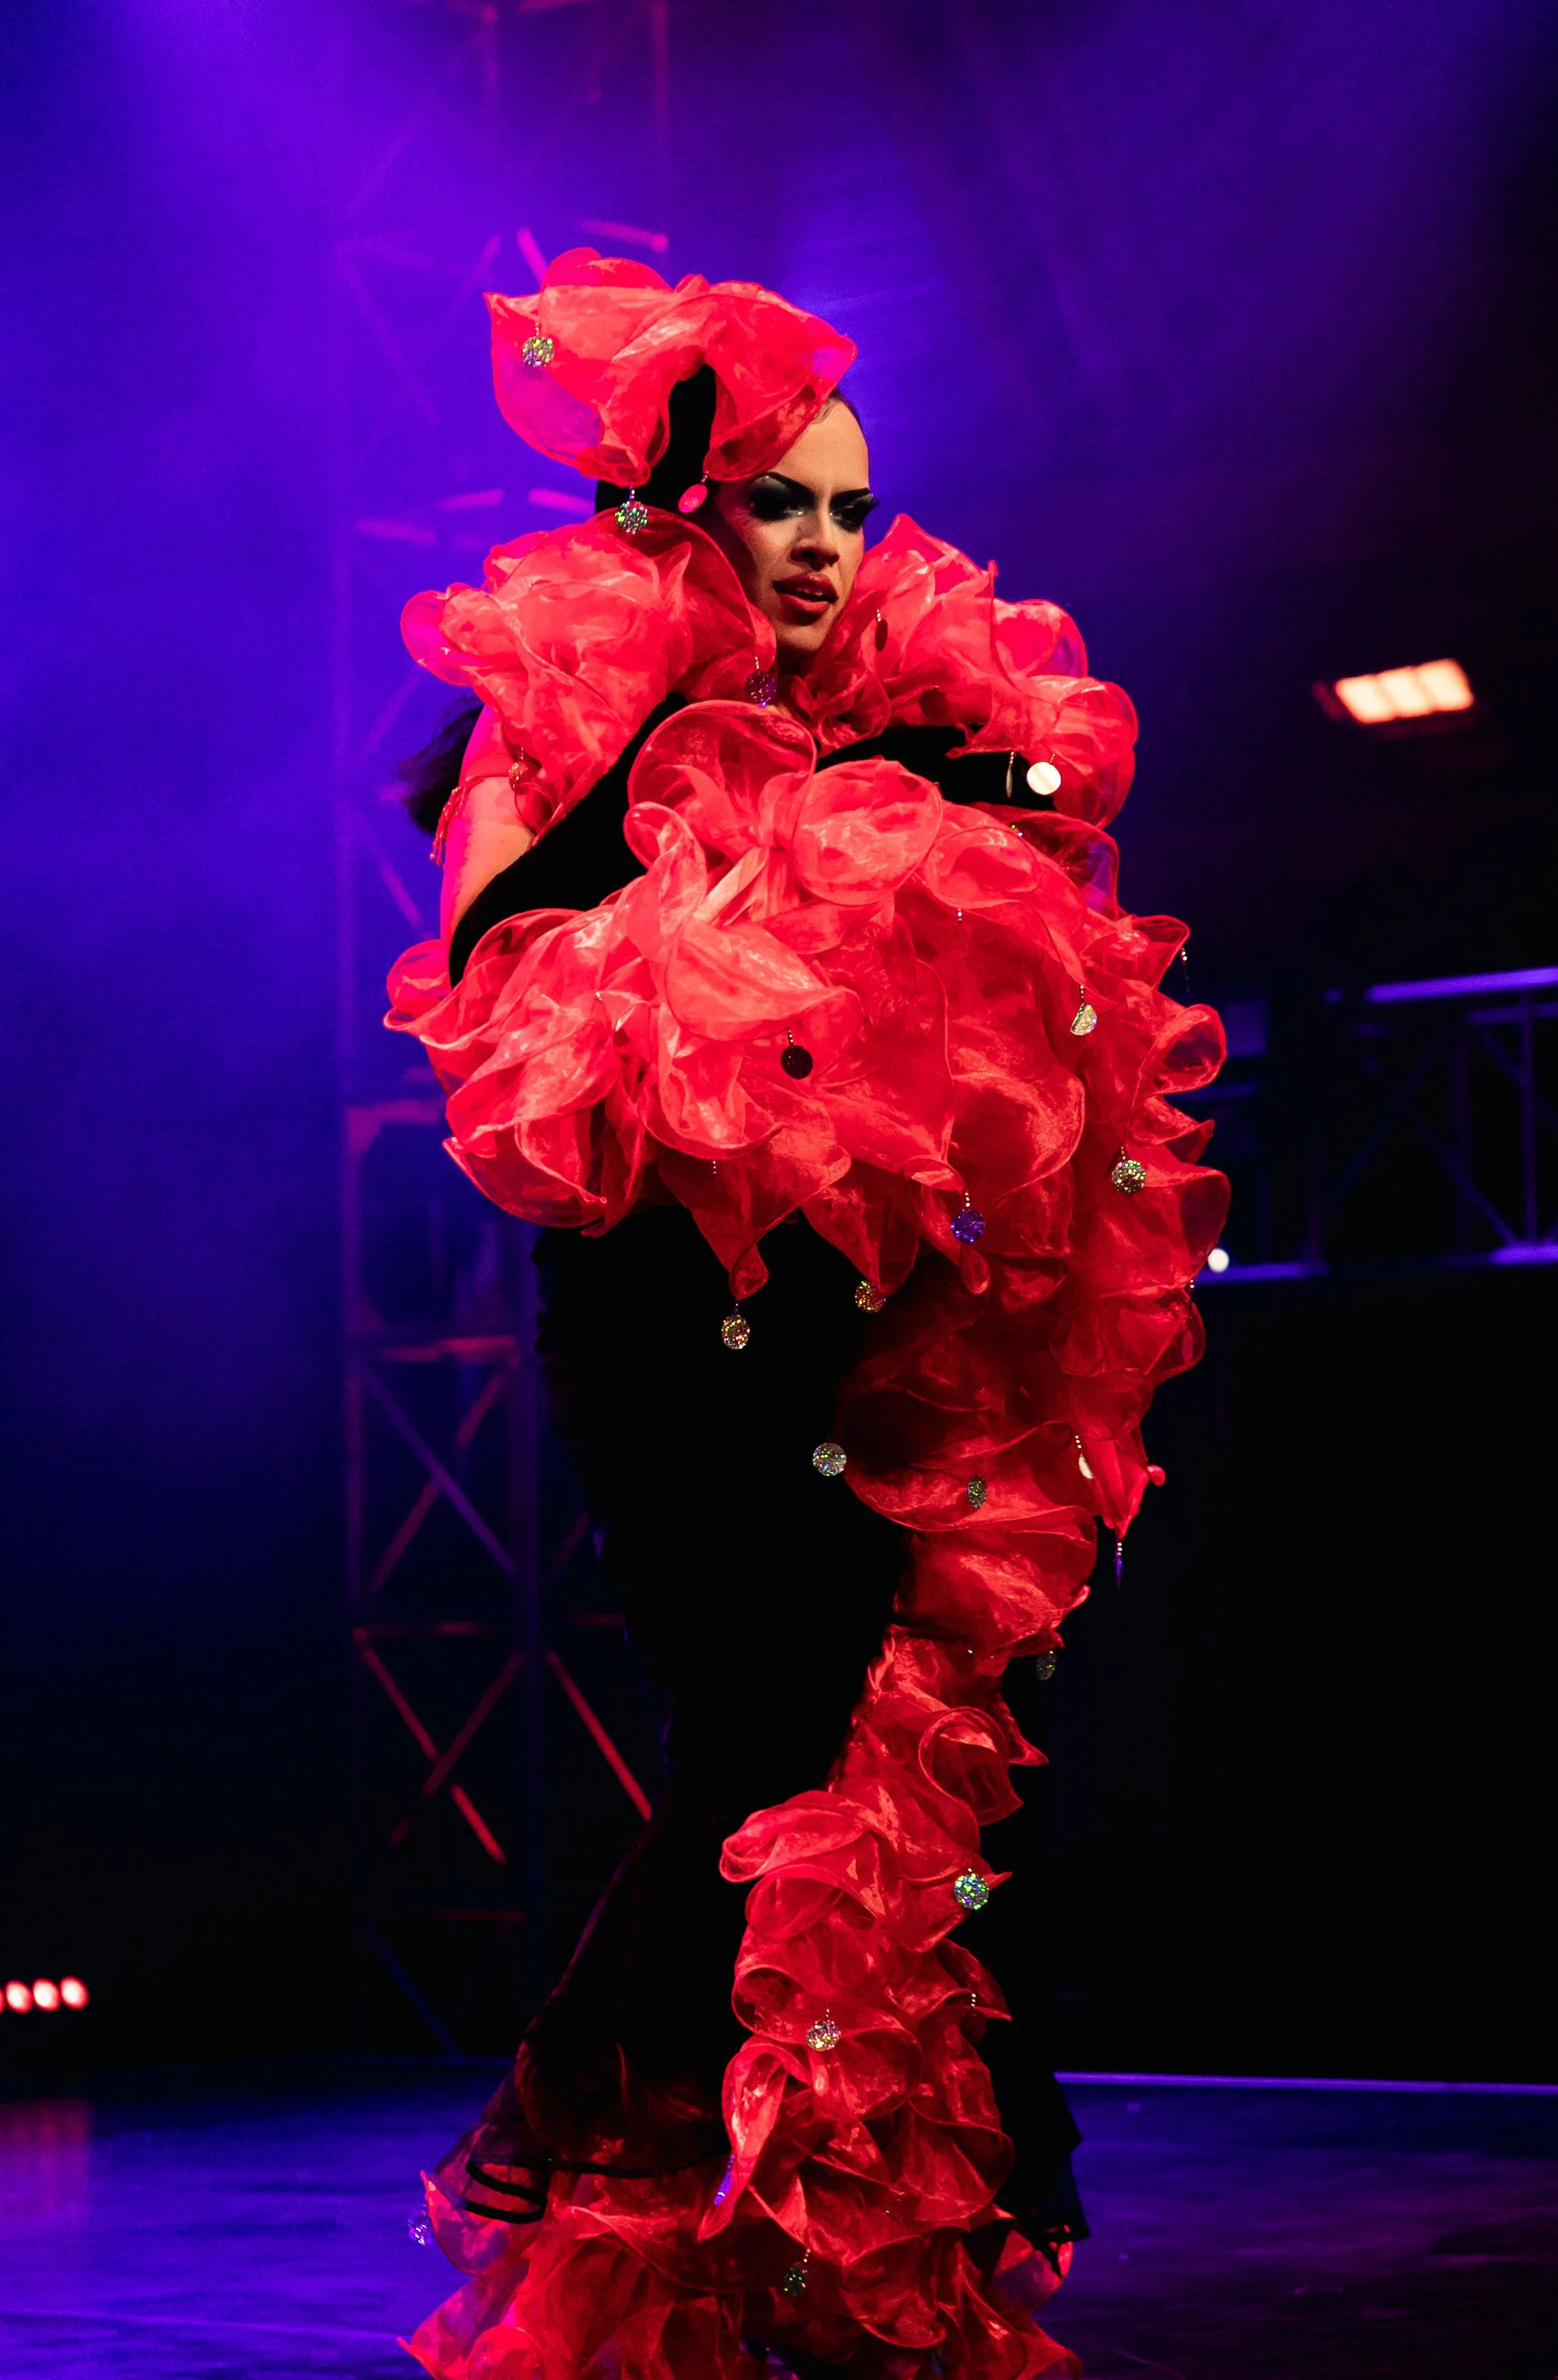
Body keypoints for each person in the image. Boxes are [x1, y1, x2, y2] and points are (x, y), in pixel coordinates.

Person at [388, 250, 1226, 2380]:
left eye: (855, 511)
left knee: (840, 1749)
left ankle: (755, 2221)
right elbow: (497, 977)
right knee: (778, 1711)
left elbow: (1048, 822)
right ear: (690, 516)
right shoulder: (557, 721)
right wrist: (690, 745)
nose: (829, 547)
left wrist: (959, 792)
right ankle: (641, 2134)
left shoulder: (872, 738)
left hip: (840, 1317)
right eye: (784, 504)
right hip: (665, 1320)